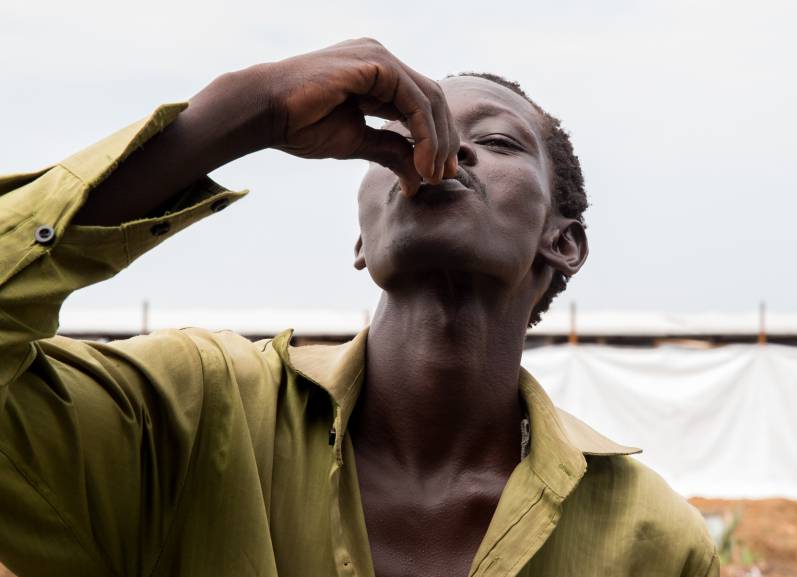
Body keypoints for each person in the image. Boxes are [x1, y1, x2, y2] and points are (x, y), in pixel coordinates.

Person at [0, 38, 717, 577]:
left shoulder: (651, 539)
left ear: (563, 243)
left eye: (496, 141)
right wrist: (238, 113)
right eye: (398, 138)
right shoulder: (192, 414)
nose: (446, 149)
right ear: (360, 239)